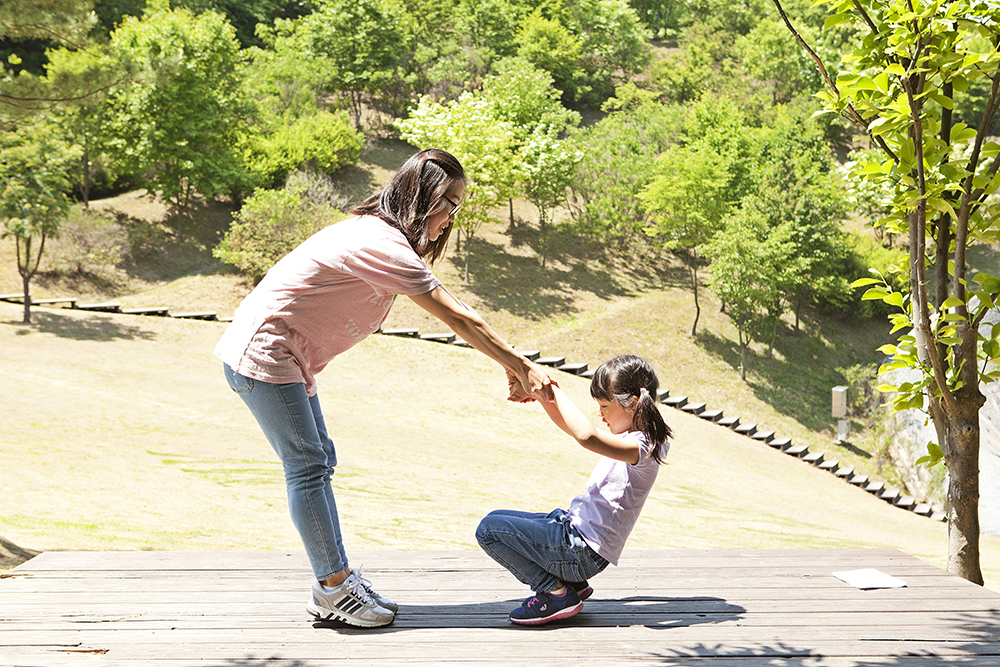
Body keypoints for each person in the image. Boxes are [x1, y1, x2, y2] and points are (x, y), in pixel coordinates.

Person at [215, 148, 553, 628]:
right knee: (308, 466)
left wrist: (509, 366)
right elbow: (455, 314)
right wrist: (521, 365)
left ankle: (333, 580)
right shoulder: (380, 243)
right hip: (265, 355)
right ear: (424, 198)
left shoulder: (379, 238)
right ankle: (333, 587)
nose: (452, 218)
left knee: (318, 461)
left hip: (285, 357)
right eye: (449, 203)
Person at [477, 354, 671, 625]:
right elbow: (571, 428)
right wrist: (541, 394)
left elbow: (586, 436)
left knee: (488, 530)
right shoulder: (635, 439)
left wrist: (550, 387)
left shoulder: (643, 447)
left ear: (633, 404)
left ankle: (555, 592)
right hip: (573, 534)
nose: (600, 414)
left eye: (604, 405)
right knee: (499, 518)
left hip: (580, 550)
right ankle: (573, 584)